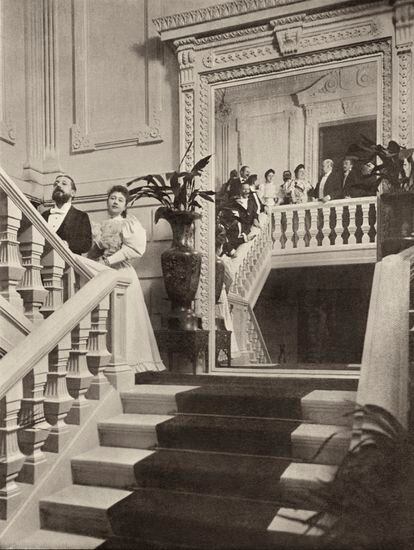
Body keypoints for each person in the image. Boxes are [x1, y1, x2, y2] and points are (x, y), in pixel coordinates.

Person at [86, 185, 165, 373]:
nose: (115, 202)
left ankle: (129, 363)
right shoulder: (98, 226)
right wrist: (96, 257)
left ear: (125, 206)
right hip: (101, 271)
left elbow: (134, 249)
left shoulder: (128, 223)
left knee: (125, 316)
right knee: (103, 316)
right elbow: (93, 251)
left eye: (120, 200)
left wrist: (109, 260)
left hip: (121, 272)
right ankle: (104, 362)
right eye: (112, 198)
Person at [42, 174, 92, 254]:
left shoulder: (81, 217)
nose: (58, 185)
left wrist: (68, 244)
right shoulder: (43, 215)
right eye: (56, 184)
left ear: (73, 193)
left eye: (64, 184)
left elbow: (86, 244)